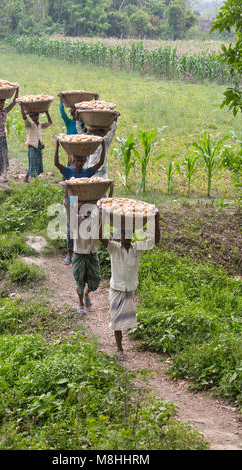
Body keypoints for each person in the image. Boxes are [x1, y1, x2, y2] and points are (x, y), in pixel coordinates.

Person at [99, 212, 160, 360]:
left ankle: (124, 345)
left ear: (132, 235)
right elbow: (101, 237)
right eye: (124, 234)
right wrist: (102, 217)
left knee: (125, 321)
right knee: (116, 321)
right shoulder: (114, 248)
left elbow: (154, 241)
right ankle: (119, 349)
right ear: (120, 236)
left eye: (129, 234)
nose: (126, 236)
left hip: (129, 290)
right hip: (116, 289)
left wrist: (156, 222)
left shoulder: (137, 249)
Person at [54, 138, 113, 266]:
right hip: (72, 204)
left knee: (85, 229)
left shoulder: (87, 172)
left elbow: (100, 162)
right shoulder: (69, 171)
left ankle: (84, 253)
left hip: (85, 204)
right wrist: (57, 146)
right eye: (78, 161)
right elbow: (56, 163)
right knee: (70, 229)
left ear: (84, 161)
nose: (80, 163)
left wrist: (102, 145)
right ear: (74, 161)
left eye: (82, 161)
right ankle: (69, 254)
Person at [70, 205, 101, 314]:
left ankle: (86, 294)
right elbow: (67, 206)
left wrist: (110, 191)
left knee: (96, 280)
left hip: (92, 253)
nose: (87, 211)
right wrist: (66, 191)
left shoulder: (96, 219)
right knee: (80, 280)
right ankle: (80, 304)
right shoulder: (76, 220)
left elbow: (105, 207)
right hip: (79, 254)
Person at [76, 111, 119, 179]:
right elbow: (80, 133)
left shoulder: (105, 141)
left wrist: (115, 121)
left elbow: (112, 133)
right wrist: (77, 120)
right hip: (90, 170)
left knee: (101, 188)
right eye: (96, 132)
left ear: (103, 134)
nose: (98, 134)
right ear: (93, 132)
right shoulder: (90, 140)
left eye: (100, 132)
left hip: (102, 171)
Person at [20, 103, 52, 182]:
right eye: (33, 116)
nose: (35, 117)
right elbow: (24, 117)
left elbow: (50, 122)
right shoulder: (29, 124)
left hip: (38, 146)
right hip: (32, 146)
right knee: (33, 163)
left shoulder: (40, 124)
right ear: (30, 117)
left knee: (36, 163)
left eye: (36, 115)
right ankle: (34, 180)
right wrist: (21, 107)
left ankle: (26, 178)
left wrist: (47, 112)